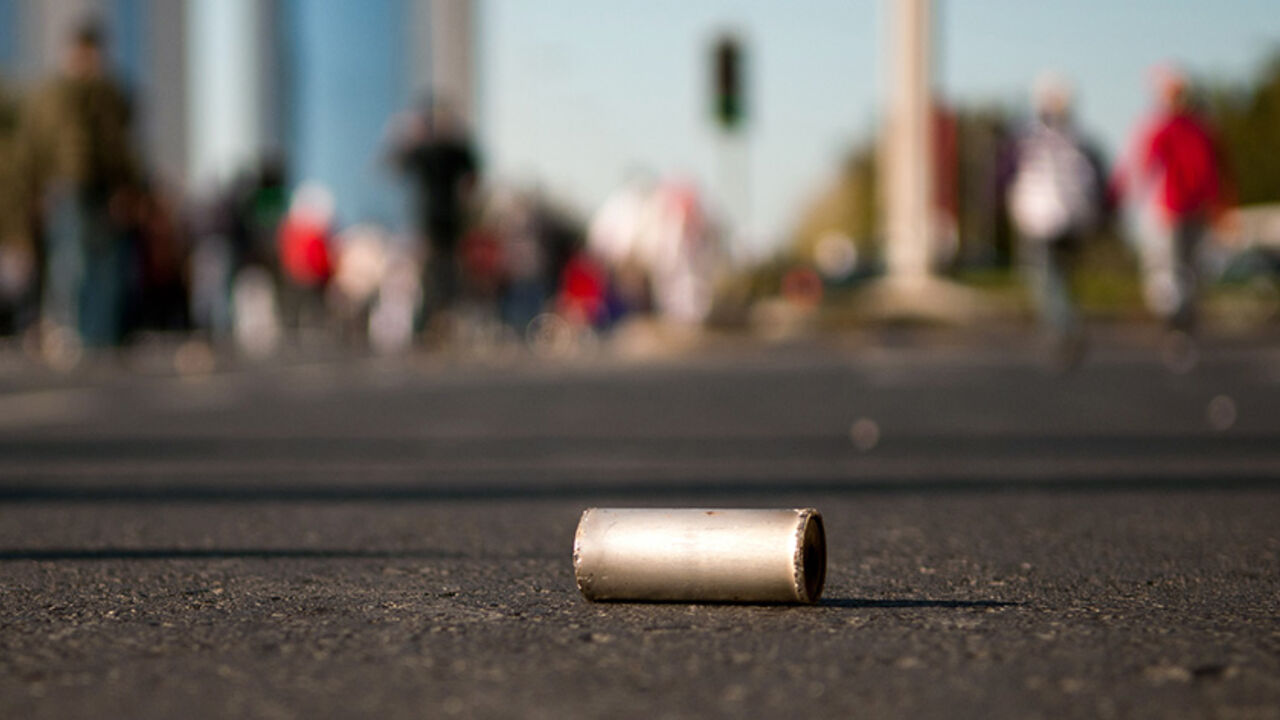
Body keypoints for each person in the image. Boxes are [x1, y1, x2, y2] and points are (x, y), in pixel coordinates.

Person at [16, 19, 138, 349]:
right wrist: (35, 189)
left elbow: (120, 145)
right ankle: (69, 330)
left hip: (102, 187)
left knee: (104, 261)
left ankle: (99, 334)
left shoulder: (108, 92)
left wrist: (126, 188)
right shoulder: (52, 93)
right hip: (65, 186)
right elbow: (34, 145)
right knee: (70, 257)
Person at [1113, 64, 1230, 339]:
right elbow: (1143, 166)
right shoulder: (1178, 128)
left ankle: (1180, 316)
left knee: (1182, 267)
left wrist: (1218, 206)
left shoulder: (1195, 129)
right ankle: (1176, 315)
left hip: (1185, 208)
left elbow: (1213, 172)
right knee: (1174, 267)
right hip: (1174, 208)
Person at [1002, 74, 1108, 365]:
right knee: (1062, 278)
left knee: (1044, 278)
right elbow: (1098, 178)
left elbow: (1004, 174)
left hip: (1042, 221)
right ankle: (1062, 324)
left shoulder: (1027, 138)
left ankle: (1064, 328)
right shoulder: (1080, 138)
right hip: (1075, 219)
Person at [390, 99, 478, 330]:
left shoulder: (440, 150)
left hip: (439, 220)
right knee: (437, 270)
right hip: (437, 220)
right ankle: (437, 318)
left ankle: (439, 318)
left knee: (438, 270)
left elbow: (396, 164)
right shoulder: (441, 149)